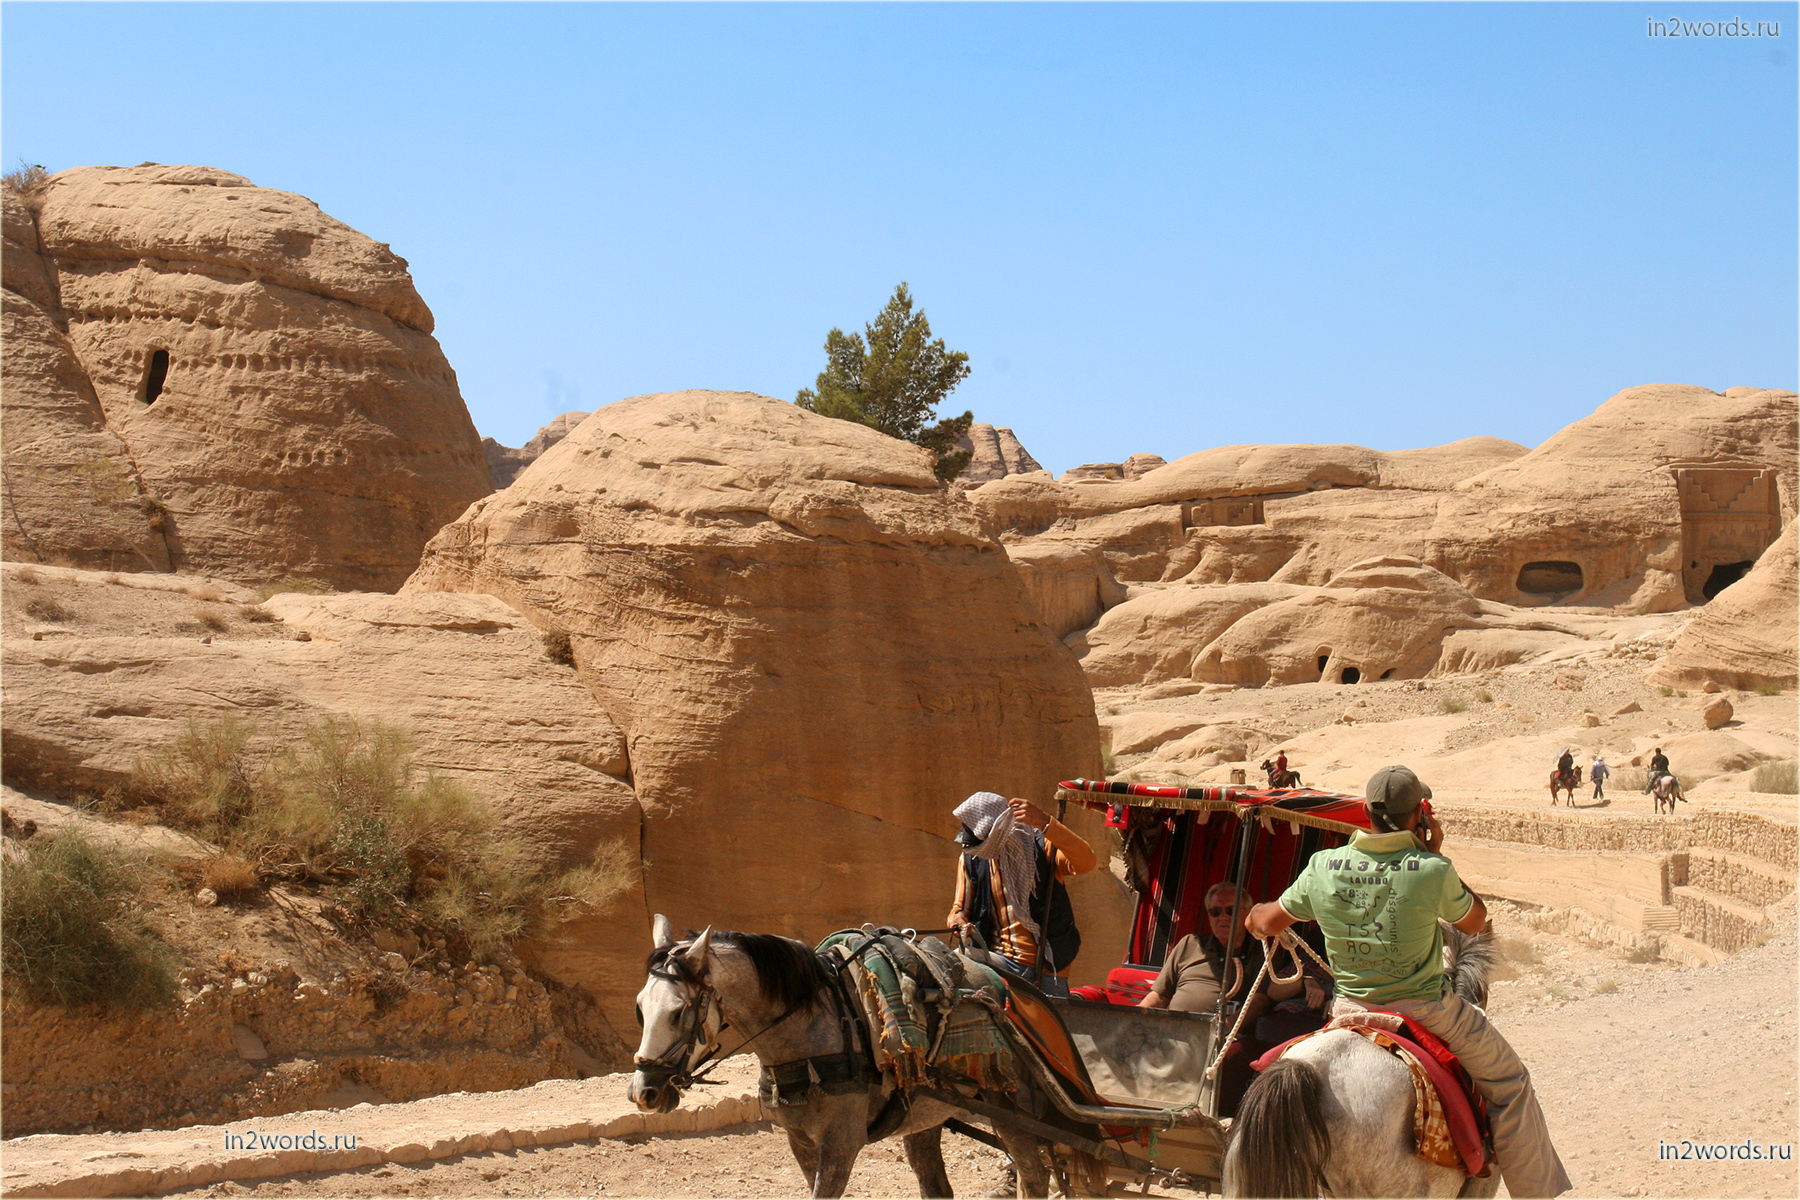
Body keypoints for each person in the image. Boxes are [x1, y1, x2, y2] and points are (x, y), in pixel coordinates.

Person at [1246, 766, 1570, 1198]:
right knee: (1510, 1083)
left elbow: (1267, 920)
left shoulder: (1323, 866)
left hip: (1347, 1012)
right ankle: (1536, 1192)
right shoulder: (1430, 868)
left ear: (1365, 812)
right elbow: (1475, 922)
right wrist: (1437, 854)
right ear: (1421, 814)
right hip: (1427, 1011)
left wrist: (1255, 917)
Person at [1134, 882, 1317, 1116]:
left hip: (1226, 1037)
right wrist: (1134, 1019)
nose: (1222, 917)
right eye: (1215, 912)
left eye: (1231, 911)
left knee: (1234, 1059)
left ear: (1248, 914)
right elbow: (1158, 995)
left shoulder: (1264, 952)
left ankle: (1216, 1121)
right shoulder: (1189, 944)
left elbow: (1259, 1001)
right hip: (1176, 1031)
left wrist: (1225, 1029)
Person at [947, 792, 1096, 998]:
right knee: (954, 962)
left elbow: (1086, 862)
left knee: (1056, 1026)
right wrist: (958, 920)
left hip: (1048, 965)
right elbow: (961, 908)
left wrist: (1046, 823)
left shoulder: (1041, 848)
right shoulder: (972, 859)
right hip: (997, 960)